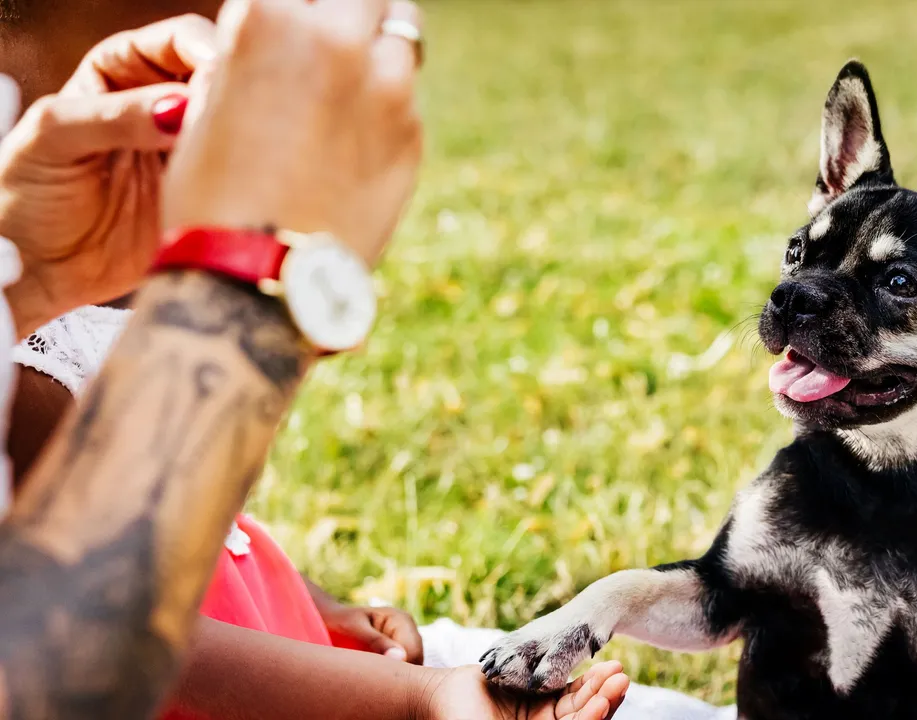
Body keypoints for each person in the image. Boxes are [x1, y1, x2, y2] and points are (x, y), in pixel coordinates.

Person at [0, 1, 629, 718]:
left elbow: (202, 540)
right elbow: (100, 635)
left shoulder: (70, 253)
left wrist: (314, 603)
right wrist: (417, 699)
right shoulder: (30, 376)